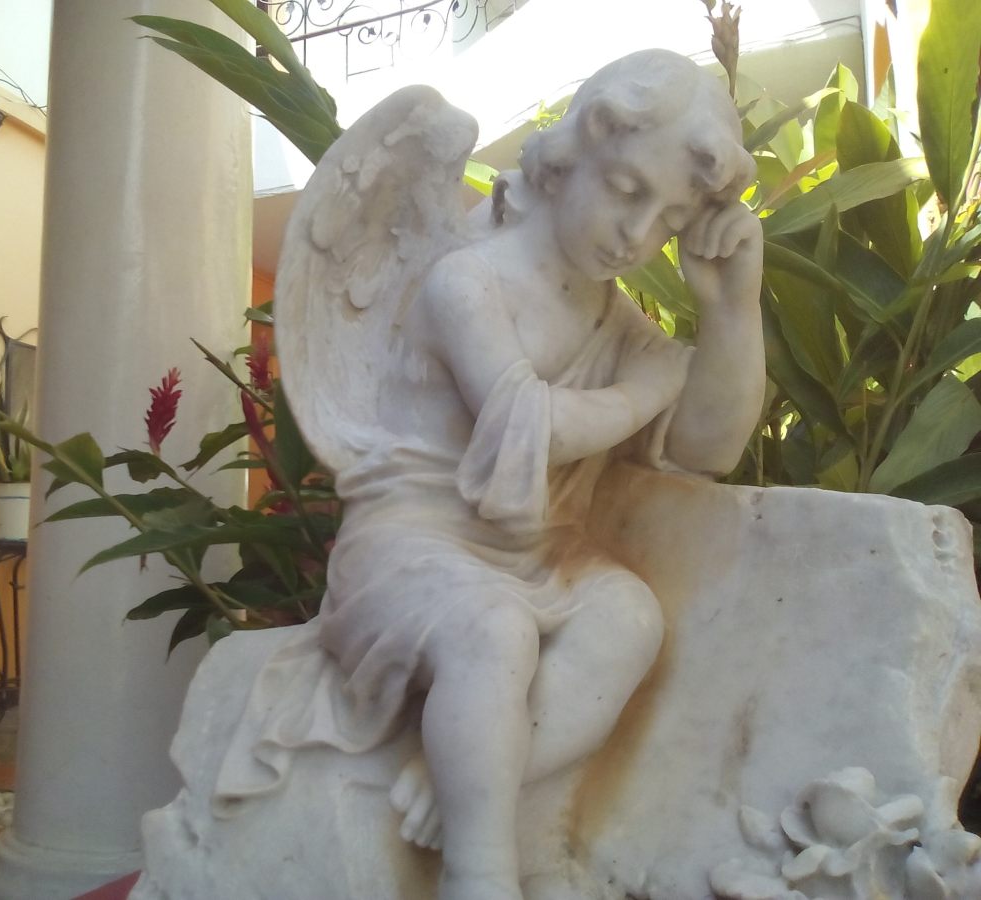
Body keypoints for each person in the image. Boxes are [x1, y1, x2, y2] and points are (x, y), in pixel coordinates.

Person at [227, 49, 764, 900]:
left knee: (629, 618)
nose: (637, 233)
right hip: (410, 546)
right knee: (494, 631)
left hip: (535, 556)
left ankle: (466, 774)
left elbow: (710, 446)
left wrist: (731, 307)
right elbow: (525, 429)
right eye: (627, 189)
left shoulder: (614, 318)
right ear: (574, 152)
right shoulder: (466, 281)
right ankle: (478, 873)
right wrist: (646, 390)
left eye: (668, 219)